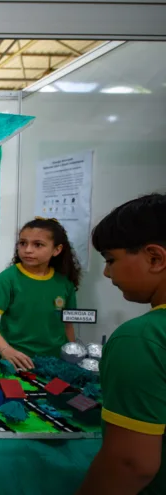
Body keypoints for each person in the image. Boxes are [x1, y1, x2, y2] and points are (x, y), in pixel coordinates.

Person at [77, 193, 166, 495]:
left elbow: (131, 463)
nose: (106, 272)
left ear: (155, 258)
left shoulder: (142, 339)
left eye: (111, 260)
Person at [0, 217, 81, 370]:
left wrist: (71, 356)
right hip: (17, 362)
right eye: (22, 243)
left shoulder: (64, 283)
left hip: (56, 362)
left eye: (38, 245)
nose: (28, 250)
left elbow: (68, 325)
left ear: (57, 250)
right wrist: (6, 350)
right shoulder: (8, 278)